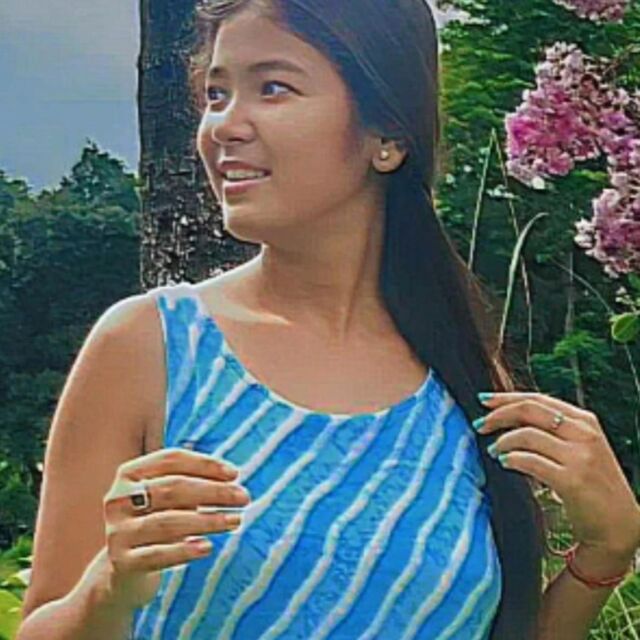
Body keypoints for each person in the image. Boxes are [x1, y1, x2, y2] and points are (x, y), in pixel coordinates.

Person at [17, 1, 640, 639]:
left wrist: (607, 550)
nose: (224, 125)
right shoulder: (151, 345)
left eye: (273, 88)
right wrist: (107, 589)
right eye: (217, 94)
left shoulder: (463, 380)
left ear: (387, 137)